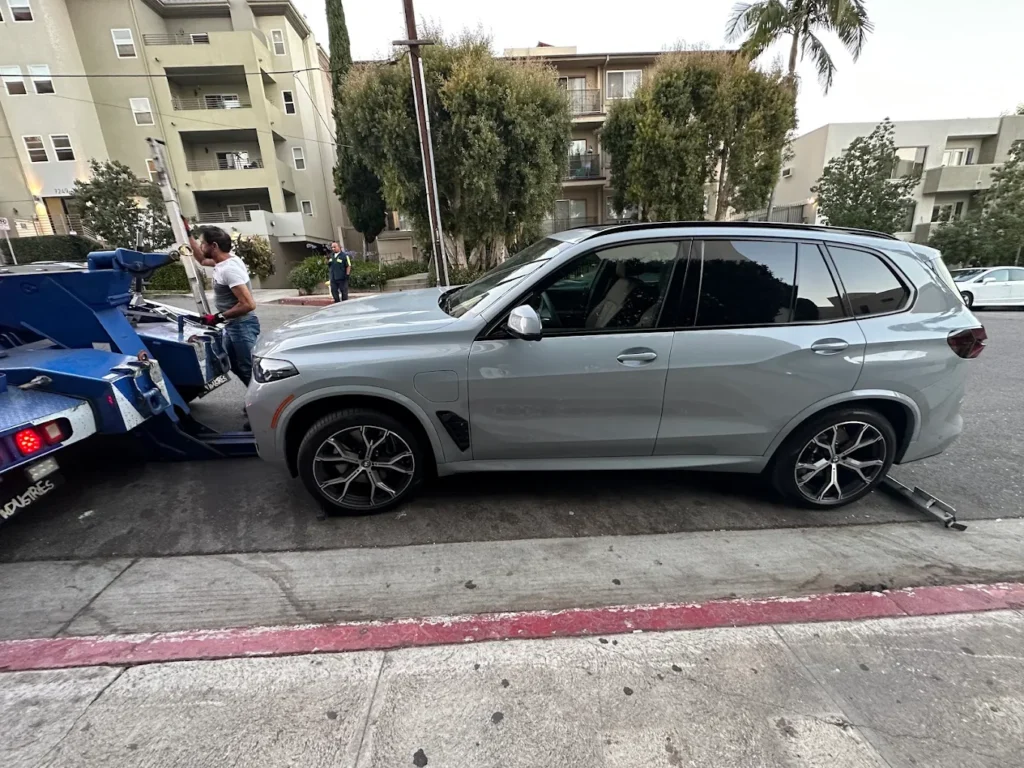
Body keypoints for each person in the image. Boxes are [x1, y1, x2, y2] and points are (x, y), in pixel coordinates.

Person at [186, 225, 260, 387]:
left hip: (242, 326)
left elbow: (248, 304)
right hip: (232, 326)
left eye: (203, 243)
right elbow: (202, 260)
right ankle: (254, 400)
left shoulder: (229, 269)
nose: (201, 246)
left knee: (250, 369)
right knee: (233, 364)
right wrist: (188, 234)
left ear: (214, 246)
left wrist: (218, 317)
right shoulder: (223, 262)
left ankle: (263, 408)